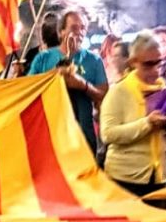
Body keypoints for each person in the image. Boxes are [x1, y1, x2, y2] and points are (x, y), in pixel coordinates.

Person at [99, 34, 166, 197]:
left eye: (158, 63)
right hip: (124, 180)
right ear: (133, 62)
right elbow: (108, 134)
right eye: (148, 65)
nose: (155, 70)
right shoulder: (119, 92)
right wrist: (147, 123)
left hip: (160, 179)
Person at [28, 10, 108, 154]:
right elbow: (29, 91)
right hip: (50, 138)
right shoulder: (43, 59)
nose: (79, 33)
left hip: (83, 139)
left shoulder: (94, 60)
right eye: (74, 28)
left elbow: (103, 95)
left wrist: (83, 86)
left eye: (83, 28)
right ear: (61, 32)